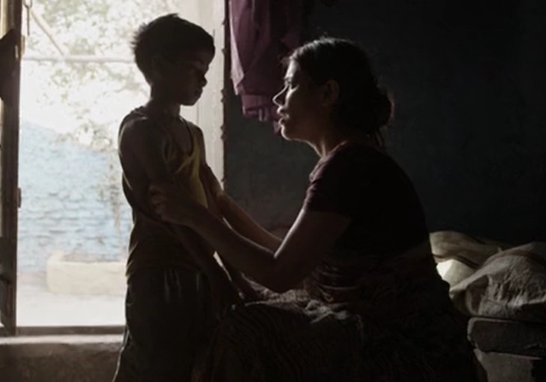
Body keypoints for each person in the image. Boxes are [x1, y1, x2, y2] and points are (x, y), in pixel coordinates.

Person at [151, 37, 481, 382]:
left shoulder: (349, 165)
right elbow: (289, 257)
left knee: (244, 328)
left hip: (408, 350)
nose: (278, 99)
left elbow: (280, 274)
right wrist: (222, 205)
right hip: (410, 337)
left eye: (291, 85)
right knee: (250, 309)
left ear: (327, 95)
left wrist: (196, 216)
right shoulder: (349, 159)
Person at [112, 14, 256, 382]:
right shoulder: (141, 131)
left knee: (191, 366)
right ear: (159, 67)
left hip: (197, 270)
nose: (204, 80)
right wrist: (215, 272)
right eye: (195, 69)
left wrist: (232, 273)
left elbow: (211, 209)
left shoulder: (193, 134)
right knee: (150, 368)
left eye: (205, 69)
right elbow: (172, 214)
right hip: (158, 271)